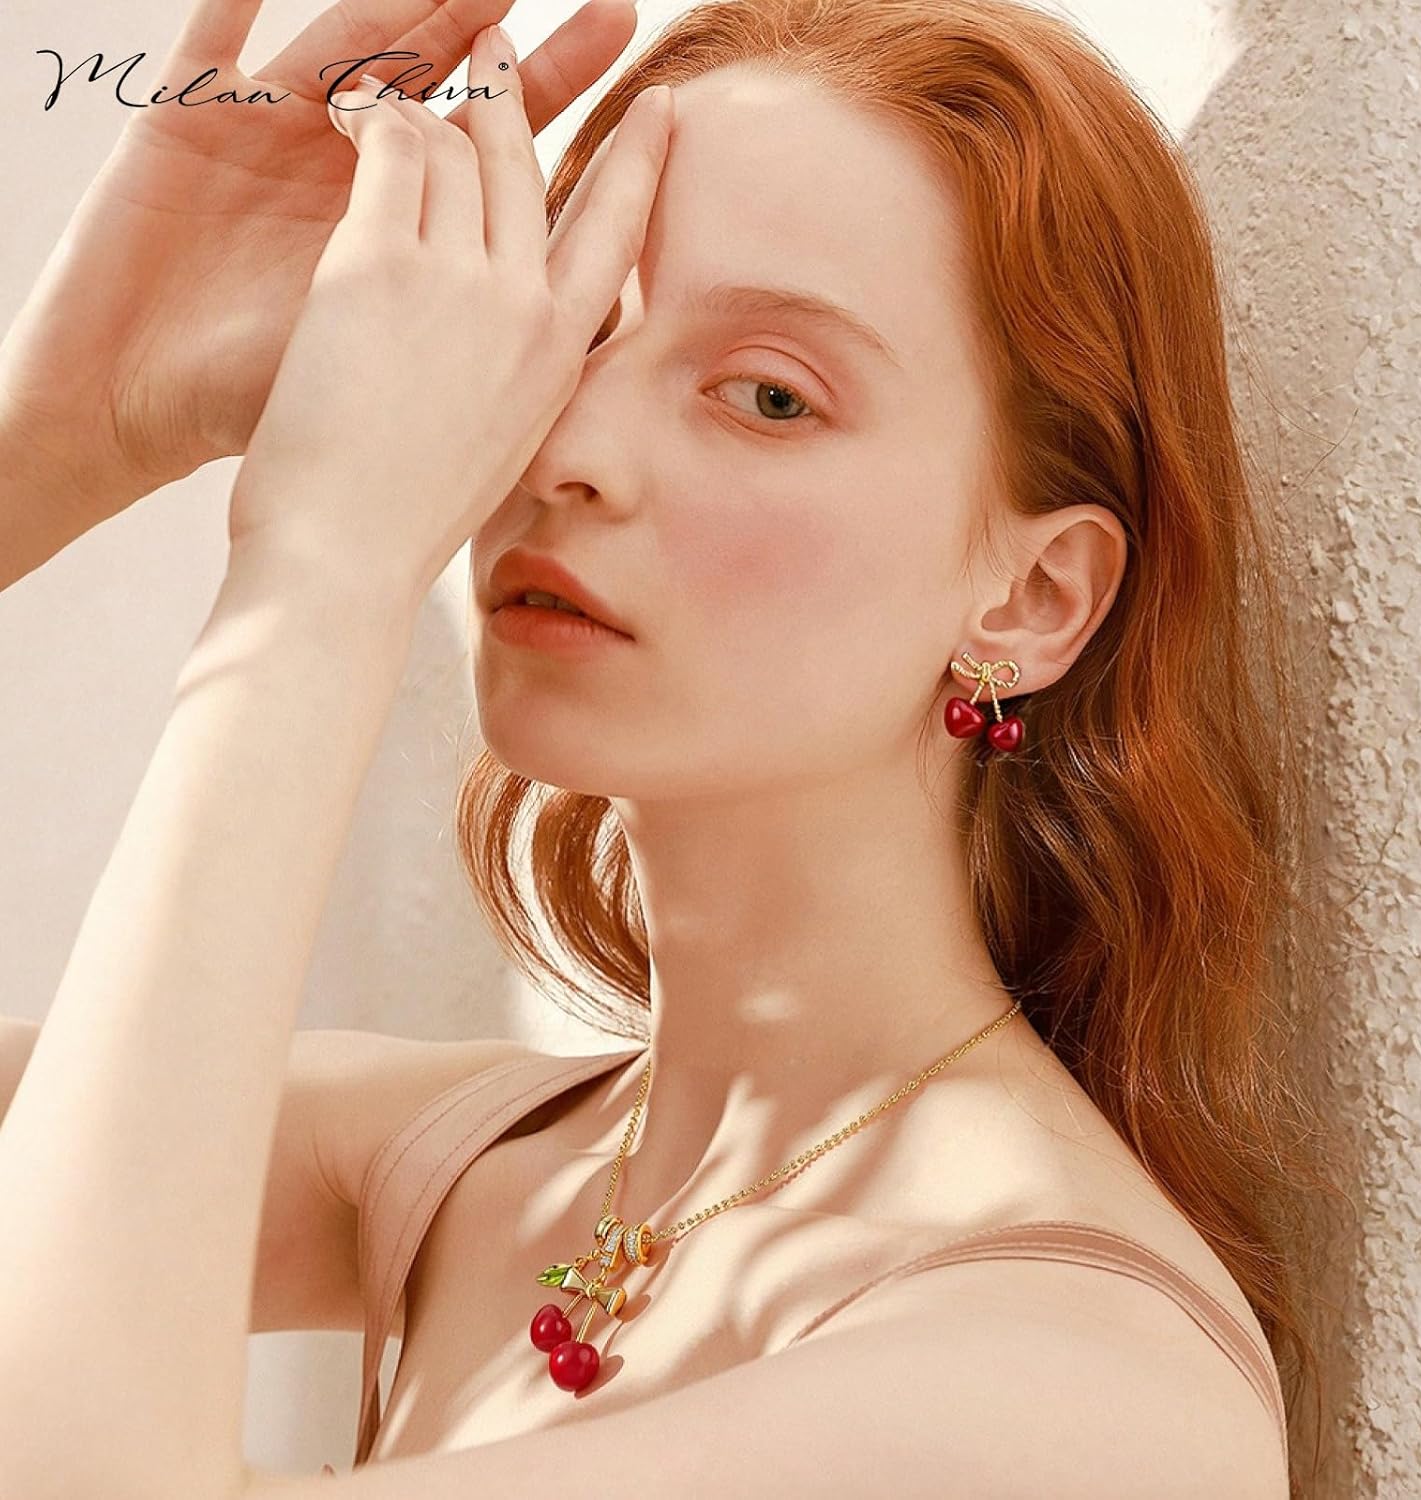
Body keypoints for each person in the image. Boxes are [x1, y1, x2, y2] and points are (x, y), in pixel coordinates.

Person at [0, 1, 1333, 1496]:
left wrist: (320, 576)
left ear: (1033, 597)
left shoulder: (1076, 1395)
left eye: (769, 396)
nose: (563, 450)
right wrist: (55, 435)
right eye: (574, 331)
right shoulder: (472, 1164)